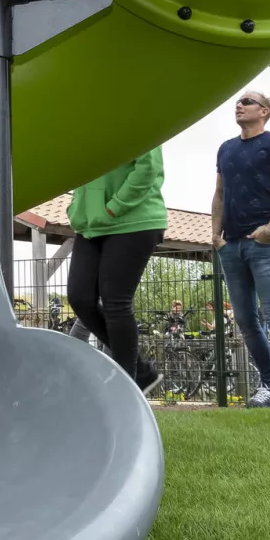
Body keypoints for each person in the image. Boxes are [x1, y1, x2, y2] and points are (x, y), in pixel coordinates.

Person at [212, 89, 270, 408]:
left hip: (265, 243)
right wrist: (215, 236)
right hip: (231, 245)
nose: (239, 105)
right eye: (237, 101)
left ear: (263, 111)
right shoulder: (226, 148)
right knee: (246, 320)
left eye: (247, 101)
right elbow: (220, 193)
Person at [64, 147, 168, 394]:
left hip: (133, 219)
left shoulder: (137, 115)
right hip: (91, 225)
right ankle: (141, 372)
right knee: (79, 297)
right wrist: (76, 208)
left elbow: (148, 168)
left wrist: (114, 206)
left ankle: (127, 389)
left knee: (116, 301)